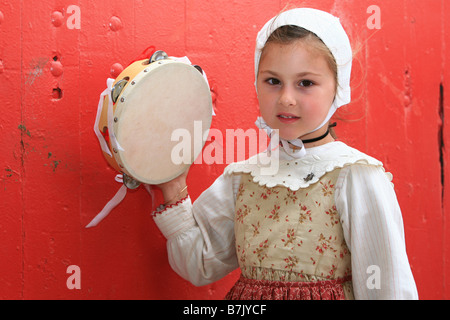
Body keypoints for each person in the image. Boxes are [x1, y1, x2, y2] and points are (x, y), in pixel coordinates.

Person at [151, 8, 418, 300]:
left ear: (338, 88)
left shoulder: (355, 175)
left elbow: (387, 288)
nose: (286, 98)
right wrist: (174, 187)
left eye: (305, 83)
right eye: (272, 81)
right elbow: (198, 264)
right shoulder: (244, 178)